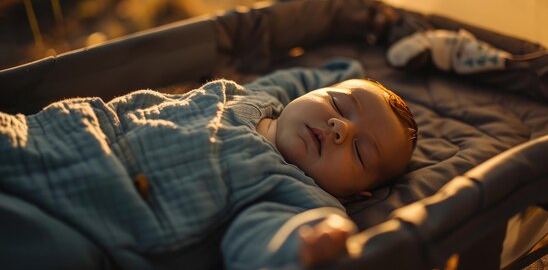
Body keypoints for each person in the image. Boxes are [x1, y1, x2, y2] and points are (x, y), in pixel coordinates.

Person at [0, 58, 417, 269]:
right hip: (54, 137)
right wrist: (349, 70)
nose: (340, 127)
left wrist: (307, 244)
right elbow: (308, 79)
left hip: (92, 219)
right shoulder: (256, 97)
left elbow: (261, 243)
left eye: (361, 152)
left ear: (358, 192)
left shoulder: (296, 193)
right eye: (339, 104)